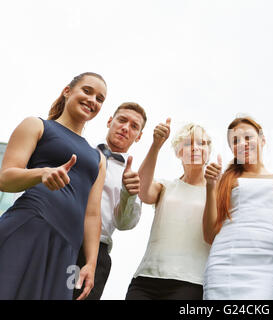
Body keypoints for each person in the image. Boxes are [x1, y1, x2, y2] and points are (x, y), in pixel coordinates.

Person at [0, 72, 107, 300]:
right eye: (87, 91)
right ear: (67, 91)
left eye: (100, 99)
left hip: (67, 250)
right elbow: (5, 178)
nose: (93, 100)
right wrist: (42, 173)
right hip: (29, 227)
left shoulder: (98, 158)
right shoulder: (36, 125)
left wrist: (90, 262)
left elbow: (92, 213)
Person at [202, 116, 273, 300]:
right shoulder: (223, 182)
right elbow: (208, 235)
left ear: (262, 140)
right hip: (225, 262)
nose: (242, 144)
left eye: (248, 137)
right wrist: (210, 186)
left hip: (268, 265)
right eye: (235, 141)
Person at [125, 120, 212, 300]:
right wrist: (156, 146)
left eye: (201, 143)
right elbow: (142, 191)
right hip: (146, 278)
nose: (195, 148)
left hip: (190, 282)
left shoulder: (215, 193)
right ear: (179, 152)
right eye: (188, 144)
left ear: (208, 152)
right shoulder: (166, 187)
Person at [73, 102, 146, 300]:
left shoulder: (132, 177)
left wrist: (128, 195)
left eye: (134, 126)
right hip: (60, 237)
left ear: (138, 136)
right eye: (122, 120)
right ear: (109, 121)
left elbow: (124, 224)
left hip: (96, 251)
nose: (125, 128)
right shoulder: (79, 151)